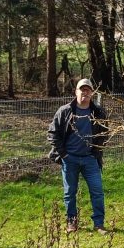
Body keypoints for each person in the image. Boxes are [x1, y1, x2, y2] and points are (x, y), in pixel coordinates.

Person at [48, 78, 109, 234]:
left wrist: (97, 152)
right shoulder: (65, 111)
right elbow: (53, 134)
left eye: (88, 90)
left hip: (90, 159)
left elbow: (104, 133)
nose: (85, 92)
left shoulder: (98, 112)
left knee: (97, 191)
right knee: (70, 193)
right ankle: (71, 222)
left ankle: (99, 224)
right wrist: (64, 154)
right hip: (70, 159)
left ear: (92, 93)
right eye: (82, 89)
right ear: (76, 92)